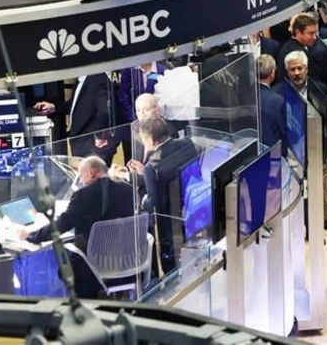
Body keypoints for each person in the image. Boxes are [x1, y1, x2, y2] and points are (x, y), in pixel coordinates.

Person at [20, 156, 135, 298]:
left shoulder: (82, 195)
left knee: (65, 268)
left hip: (94, 263)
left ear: (91, 173)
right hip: (126, 258)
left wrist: (31, 235)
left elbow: (62, 225)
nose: (80, 180)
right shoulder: (129, 190)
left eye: (81, 175)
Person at [274, 50, 327, 232]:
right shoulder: (278, 92)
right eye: (292, 69)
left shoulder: (319, 88)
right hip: (290, 149)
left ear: (307, 69)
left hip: (315, 146)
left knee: (320, 182)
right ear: (286, 71)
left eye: (300, 68)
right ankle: (295, 223)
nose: (297, 73)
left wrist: (317, 126)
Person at [131, 117, 198, 272]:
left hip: (170, 221)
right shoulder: (187, 143)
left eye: (144, 140)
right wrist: (145, 174)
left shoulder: (152, 167)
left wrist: (143, 201)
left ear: (151, 140)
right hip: (191, 205)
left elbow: (155, 205)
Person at [34, 73, 116, 164]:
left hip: (92, 145)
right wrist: (54, 107)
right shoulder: (81, 79)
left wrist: (99, 136)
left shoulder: (99, 78)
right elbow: (76, 106)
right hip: (81, 143)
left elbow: (105, 112)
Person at [118, 61, 167, 160]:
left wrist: (152, 120)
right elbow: (123, 98)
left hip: (155, 126)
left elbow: (164, 98)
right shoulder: (129, 71)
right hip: (133, 126)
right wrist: (137, 120)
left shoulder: (162, 71)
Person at [277, 13, 327, 88]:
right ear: (298, 32)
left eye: (315, 33)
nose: (315, 37)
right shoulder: (298, 53)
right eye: (311, 33)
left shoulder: (288, 46)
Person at [257, 54, 286, 150]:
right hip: (272, 152)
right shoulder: (277, 101)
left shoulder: (244, 95)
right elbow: (285, 132)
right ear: (272, 72)